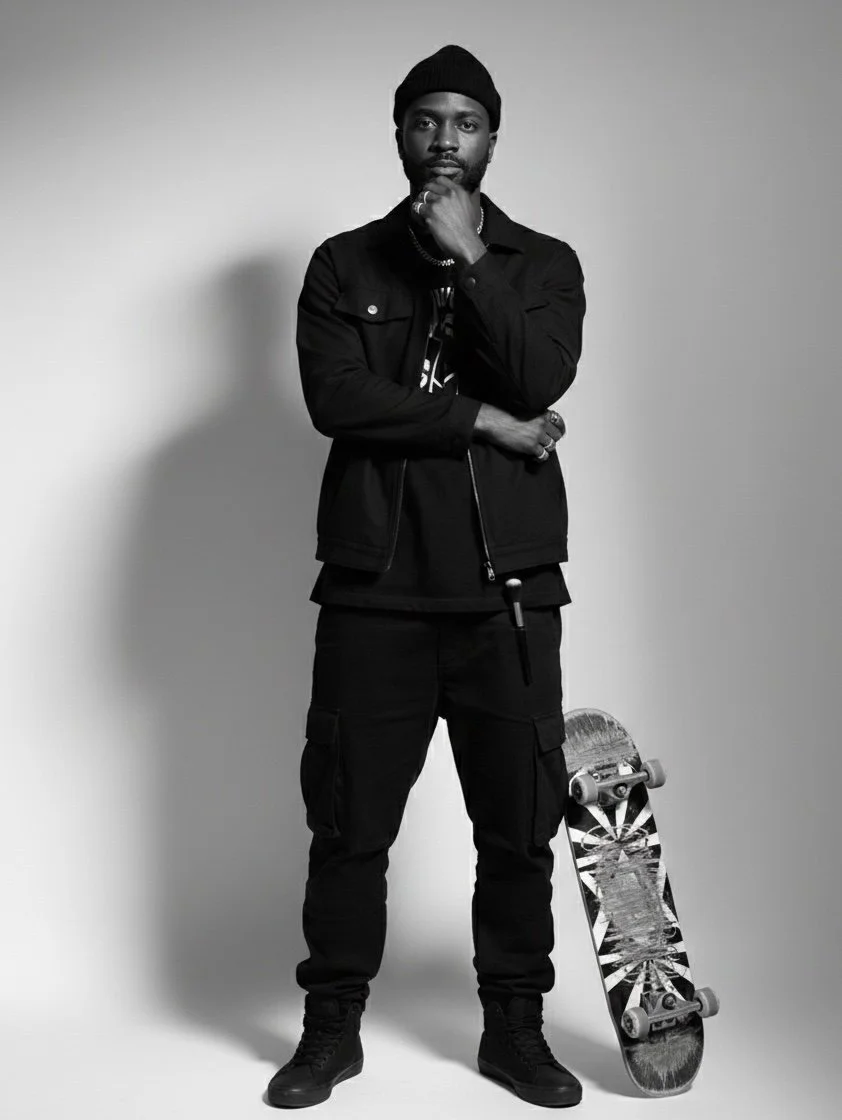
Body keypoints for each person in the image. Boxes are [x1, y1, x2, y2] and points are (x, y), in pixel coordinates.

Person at [266, 44, 586, 1109]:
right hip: (374, 592)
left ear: (493, 137)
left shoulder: (542, 267)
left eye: (465, 121)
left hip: (506, 594)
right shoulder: (343, 266)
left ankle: (513, 1030)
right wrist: (484, 421)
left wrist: (469, 261)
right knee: (349, 823)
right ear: (397, 131)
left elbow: (540, 373)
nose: (443, 138)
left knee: (517, 828)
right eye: (424, 119)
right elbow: (337, 400)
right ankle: (328, 1030)